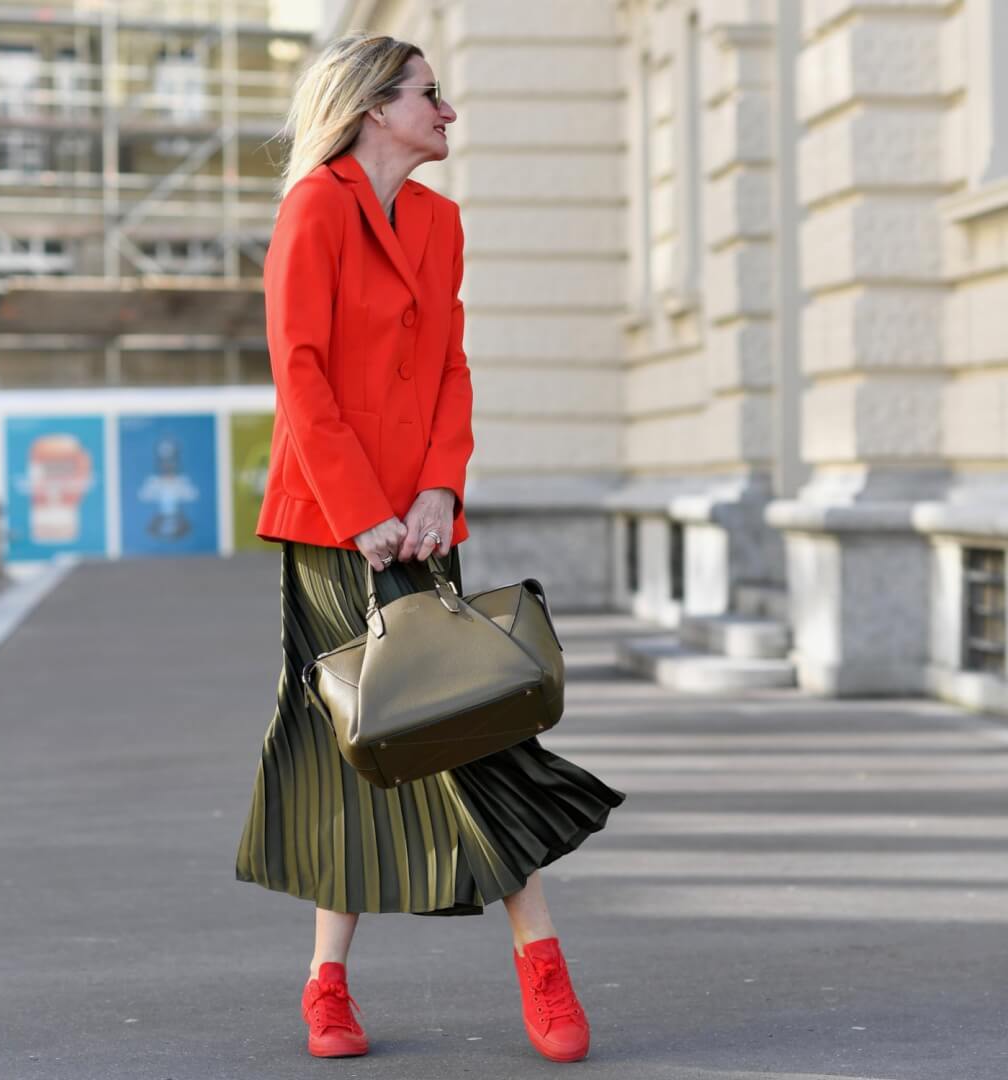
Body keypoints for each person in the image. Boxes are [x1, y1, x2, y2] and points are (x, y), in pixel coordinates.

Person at [235, 31, 625, 1064]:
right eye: (429, 94)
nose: (447, 111)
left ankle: (531, 966)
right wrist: (362, 507)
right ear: (374, 108)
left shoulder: (440, 221)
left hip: (419, 516)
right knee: (365, 736)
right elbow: (300, 373)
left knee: (466, 721)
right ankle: (333, 986)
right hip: (335, 525)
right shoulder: (314, 209)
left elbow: (450, 364)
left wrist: (440, 487)